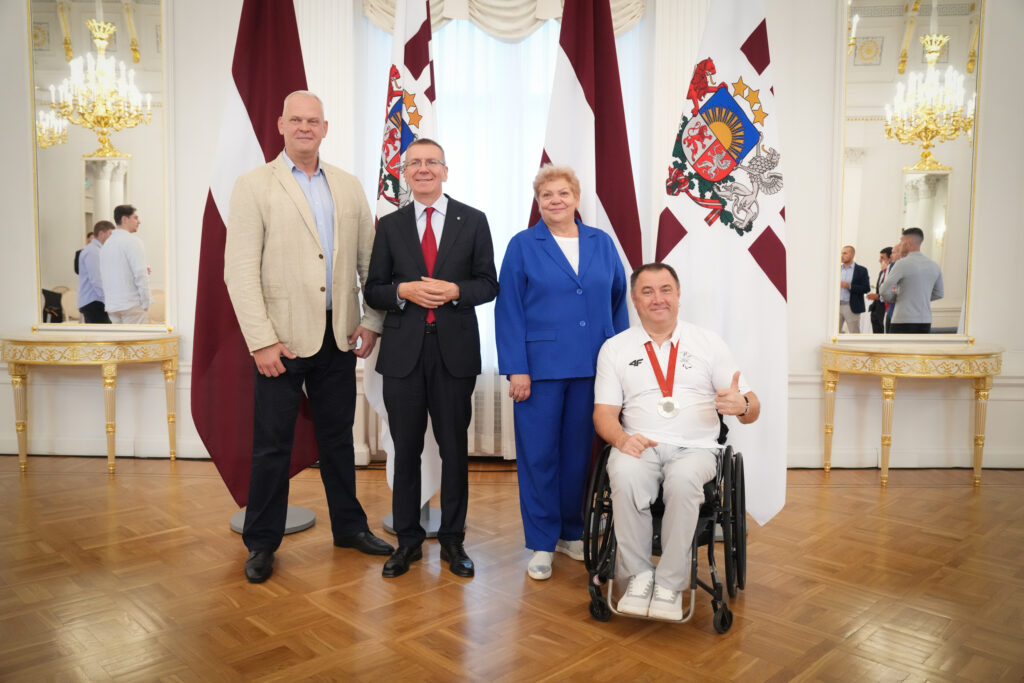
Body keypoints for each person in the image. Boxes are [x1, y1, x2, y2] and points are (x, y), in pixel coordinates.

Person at [224, 90, 393, 584]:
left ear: (325, 128)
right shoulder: (253, 185)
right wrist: (261, 341)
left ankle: (349, 528)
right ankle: (262, 543)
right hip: (281, 342)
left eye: (313, 120)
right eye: (296, 119)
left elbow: (370, 263)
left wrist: (372, 321)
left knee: (339, 440)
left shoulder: (348, 185)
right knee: (272, 445)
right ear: (281, 125)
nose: (304, 127)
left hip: (338, 337)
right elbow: (239, 271)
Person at [593, 263, 760, 620]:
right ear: (634, 299)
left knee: (684, 480)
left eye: (665, 289)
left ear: (679, 295)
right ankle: (638, 578)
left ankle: (669, 584)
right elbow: (604, 413)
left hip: (696, 447)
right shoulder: (615, 348)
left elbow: (752, 406)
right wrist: (621, 439)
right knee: (624, 474)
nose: (658, 298)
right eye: (648, 291)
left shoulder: (707, 343)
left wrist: (742, 405)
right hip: (638, 443)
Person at [365, 138, 498, 579]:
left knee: (454, 450)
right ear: (404, 173)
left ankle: (454, 540)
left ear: (445, 170)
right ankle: (407, 541)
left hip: (454, 355)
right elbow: (374, 289)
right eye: (415, 163)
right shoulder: (390, 225)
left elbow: (488, 284)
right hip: (402, 356)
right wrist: (402, 291)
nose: (423, 169)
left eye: (431, 162)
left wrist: (456, 290)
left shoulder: (473, 220)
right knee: (406, 451)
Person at [494, 165, 628, 581]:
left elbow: (618, 301)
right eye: (547, 195)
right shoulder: (522, 245)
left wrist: (624, 364)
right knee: (539, 457)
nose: (556, 200)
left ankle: (572, 532)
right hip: (540, 371)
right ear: (538, 202)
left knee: (578, 457)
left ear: (576, 198)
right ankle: (541, 542)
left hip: (595, 368)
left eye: (563, 193)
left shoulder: (601, 242)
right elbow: (509, 310)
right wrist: (516, 369)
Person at [880, 227, 944, 334]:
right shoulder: (934, 265)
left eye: (901, 241)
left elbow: (883, 290)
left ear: (908, 243)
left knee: (898, 346)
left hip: (903, 320)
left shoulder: (901, 263)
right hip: (925, 321)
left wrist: (896, 298)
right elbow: (939, 293)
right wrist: (919, 298)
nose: (899, 244)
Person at [99, 204, 151, 323]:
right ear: (124, 219)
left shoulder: (106, 245)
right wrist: (146, 302)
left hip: (113, 306)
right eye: (135, 218)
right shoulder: (133, 241)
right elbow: (140, 275)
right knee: (136, 336)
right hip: (132, 305)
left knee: (119, 336)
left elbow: (110, 274)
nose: (139, 221)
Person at [77, 221, 113, 324]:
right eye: (110, 233)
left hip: (95, 301)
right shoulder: (93, 251)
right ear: (101, 233)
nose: (112, 237)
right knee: (104, 333)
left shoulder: (97, 250)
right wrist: (108, 302)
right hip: (94, 302)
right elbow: (97, 280)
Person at [838, 245, 870, 333]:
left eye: (845, 253)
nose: (842, 255)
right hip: (836, 307)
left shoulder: (861, 270)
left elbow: (866, 288)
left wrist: (849, 286)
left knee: (854, 333)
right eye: (841, 253)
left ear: (852, 254)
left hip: (851, 307)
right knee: (833, 333)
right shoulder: (836, 269)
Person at [865, 246, 892, 334]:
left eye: (882, 258)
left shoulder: (893, 274)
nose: (879, 260)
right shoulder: (881, 272)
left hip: (887, 311)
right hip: (876, 311)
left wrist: (878, 296)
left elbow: (892, 292)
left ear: (890, 259)